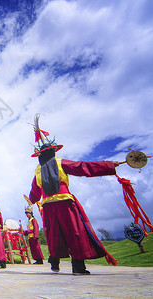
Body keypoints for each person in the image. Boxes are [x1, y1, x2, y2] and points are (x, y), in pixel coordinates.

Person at [27, 114, 118, 275]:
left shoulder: (38, 170)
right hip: (65, 204)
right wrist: (109, 165)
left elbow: (34, 191)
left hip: (48, 206)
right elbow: (83, 167)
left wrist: (32, 200)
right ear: (53, 152)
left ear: (41, 155)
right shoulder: (60, 163)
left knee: (54, 234)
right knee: (74, 233)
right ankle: (78, 267)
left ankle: (54, 263)